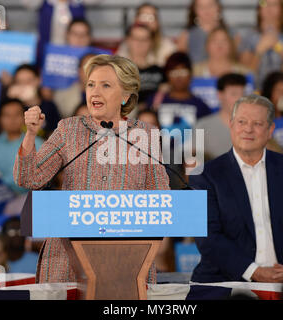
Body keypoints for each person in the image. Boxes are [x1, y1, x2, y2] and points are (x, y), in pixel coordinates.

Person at [13, 54, 170, 283]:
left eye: (106, 85)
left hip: (126, 259)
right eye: (90, 85)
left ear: (125, 96)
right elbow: (29, 178)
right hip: (67, 259)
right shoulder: (69, 129)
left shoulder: (145, 135)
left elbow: (161, 199)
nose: (95, 92)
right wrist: (30, 134)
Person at [186, 94, 283, 300]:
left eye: (257, 123)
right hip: (225, 282)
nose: (248, 129)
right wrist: (254, 271)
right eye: (242, 122)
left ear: (270, 130)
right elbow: (208, 239)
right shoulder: (205, 176)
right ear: (231, 125)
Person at [0, 99, 44, 195]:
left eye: (17, 115)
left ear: (24, 117)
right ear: (0, 119)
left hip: (32, 195)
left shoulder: (37, 142)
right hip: (0, 196)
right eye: (7, 115)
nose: (12, 119)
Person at [238, 0, 283, 88]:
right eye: (265, 3)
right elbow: (244, 71)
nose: (269, 8)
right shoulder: (249, 35)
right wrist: (259, 50)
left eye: (274, 4)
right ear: (259, 8)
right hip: (257, 91)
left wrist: (277, 45)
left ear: (282, 8)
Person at [193, 73, 246, 159]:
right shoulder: (202, 126)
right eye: (234, 94)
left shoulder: (254, 127)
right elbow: (192, 164)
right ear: (220, 95)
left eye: (243, 94)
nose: (239, 99)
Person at [6, 64, 61, 137]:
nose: (24, 85)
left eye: (29, 81)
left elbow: (56, 134)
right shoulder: (12, 106)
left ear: (38, 80)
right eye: (19, 82)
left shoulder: (49, 107)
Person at [116, 2, 176, 68]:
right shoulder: (127, 43)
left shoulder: (167, 46)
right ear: (135, 19)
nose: (146, 21)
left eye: (151, 17)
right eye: (143, 16)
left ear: (157, 22)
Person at [119, 23, 164, 108]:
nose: (140, 44)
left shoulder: (159, 70)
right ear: (128, 40)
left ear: (151, 42)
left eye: (144, 40)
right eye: (136, 39)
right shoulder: (119, 70)